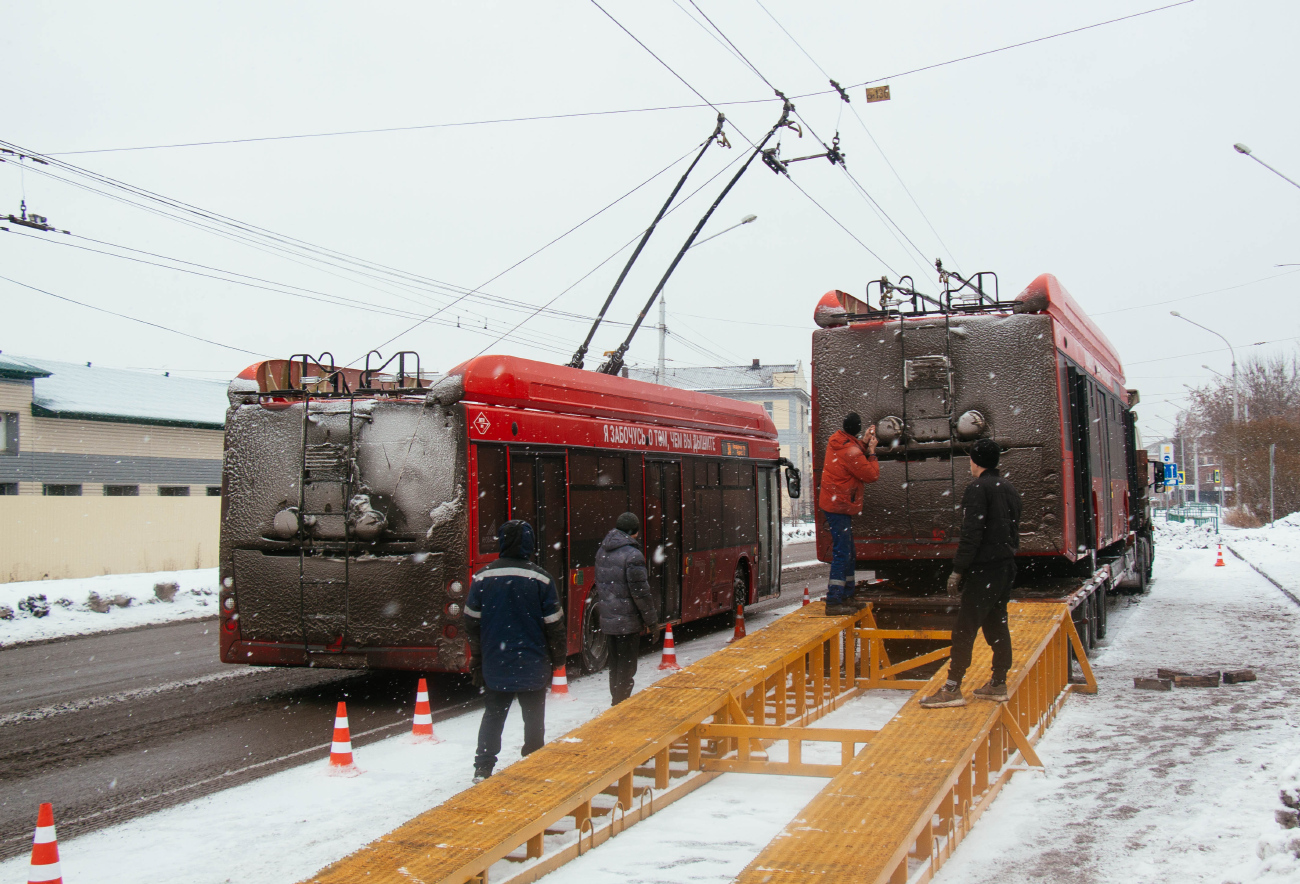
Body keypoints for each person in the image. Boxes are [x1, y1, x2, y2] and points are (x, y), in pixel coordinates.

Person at [921, 438, 1023, 709]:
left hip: (984, 569)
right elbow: (1014, 530)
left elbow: (972, 534)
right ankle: (998, 683)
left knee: (964, 628)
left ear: (976, 461)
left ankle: (952, 688)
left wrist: (958, 570)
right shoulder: (1010, 488)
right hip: (1005, 566)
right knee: (997, 624)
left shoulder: (977, 489)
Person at [466, 519, 567, 781]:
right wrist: (558, 658)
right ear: (529, 544)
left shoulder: (482, 578)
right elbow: (554, 624)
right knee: (533, 718)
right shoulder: (541, 578)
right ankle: (533, 761)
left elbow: (471, 621)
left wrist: (478, 657)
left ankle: (483, 766)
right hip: (533, 660)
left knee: (494, 714)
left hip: (495, 660)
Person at [818, 412, 880, 615]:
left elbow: (852, 451)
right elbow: (871, 475)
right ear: (857, 428)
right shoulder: (851, 451)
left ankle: (847, 594)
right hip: (839, 506)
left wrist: (863, 443)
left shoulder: (840, 441)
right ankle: (835, 600)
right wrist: (871, 451)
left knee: (848, 551)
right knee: (843, 552)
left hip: (835, 504)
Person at [594, 512, 659, 705]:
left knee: (615, 665)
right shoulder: (633, 555)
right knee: (627, 668)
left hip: (609, 620)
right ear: (635, 531)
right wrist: (652, 622)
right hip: (627, 623)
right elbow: (641, 593)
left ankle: (616, 701)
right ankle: (620, 706)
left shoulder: (602, 551)